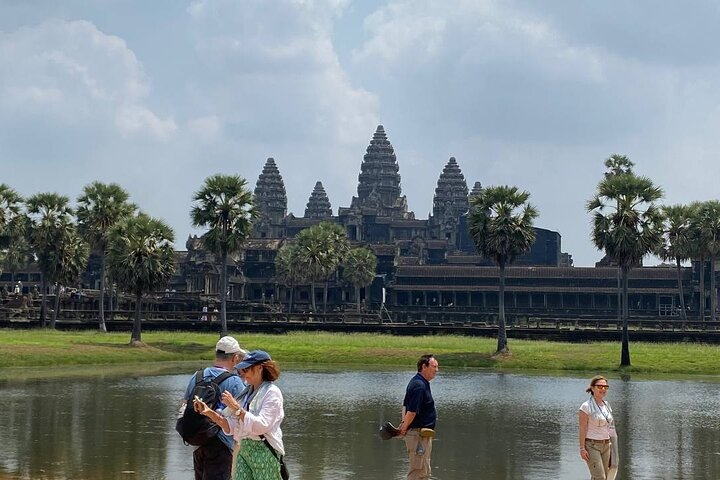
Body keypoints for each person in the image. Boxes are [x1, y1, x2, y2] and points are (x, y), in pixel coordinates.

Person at [195, 350, 285, 480]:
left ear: (260, 368)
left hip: (265, 450)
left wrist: (237, 408)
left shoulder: (272, 393)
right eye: (241, 370)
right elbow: (231, 426)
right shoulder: (246, 393)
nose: (242, 374)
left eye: (246, 369)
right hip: (244, 449)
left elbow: (261, 426)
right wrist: (208, 412)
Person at [183, 336, 246, 480]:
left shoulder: (197, 376)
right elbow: (243, 413)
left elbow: (184, 404)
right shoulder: (235, 382)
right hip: (221, 444)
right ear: (235, 358)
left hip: (197, 440)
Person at [398, 354, 439, 480]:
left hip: (422, 436)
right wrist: (403, 429)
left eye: (437, 367)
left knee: (423, 472)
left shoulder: (422, 383)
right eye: (434, 366)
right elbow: (411, 412)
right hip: (417, 436)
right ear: (424, 366)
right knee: (417, 472)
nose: (437, 370)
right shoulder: (418, 385)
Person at [578, 375, 618, 480]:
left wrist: (613, 446)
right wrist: (582, 448)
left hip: (606, 445)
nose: (603, 389)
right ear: (592, 388)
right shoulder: (585, 406)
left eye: (605, 387)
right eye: (600, 386)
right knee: (599, 477)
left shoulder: (607, 405)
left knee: (605, 476)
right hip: (592, 445)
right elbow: (582, 428)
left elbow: (610, 427)